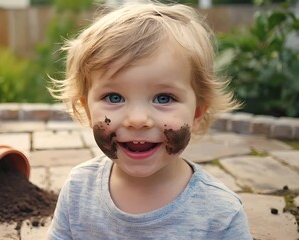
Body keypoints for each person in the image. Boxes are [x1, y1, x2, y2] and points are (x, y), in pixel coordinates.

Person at [47, 1, 253, 239]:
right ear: (88, 109)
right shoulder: (78, 190)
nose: (137, 120)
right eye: (114, 97)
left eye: (163, 98)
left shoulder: (221, 215)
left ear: (197, 113)